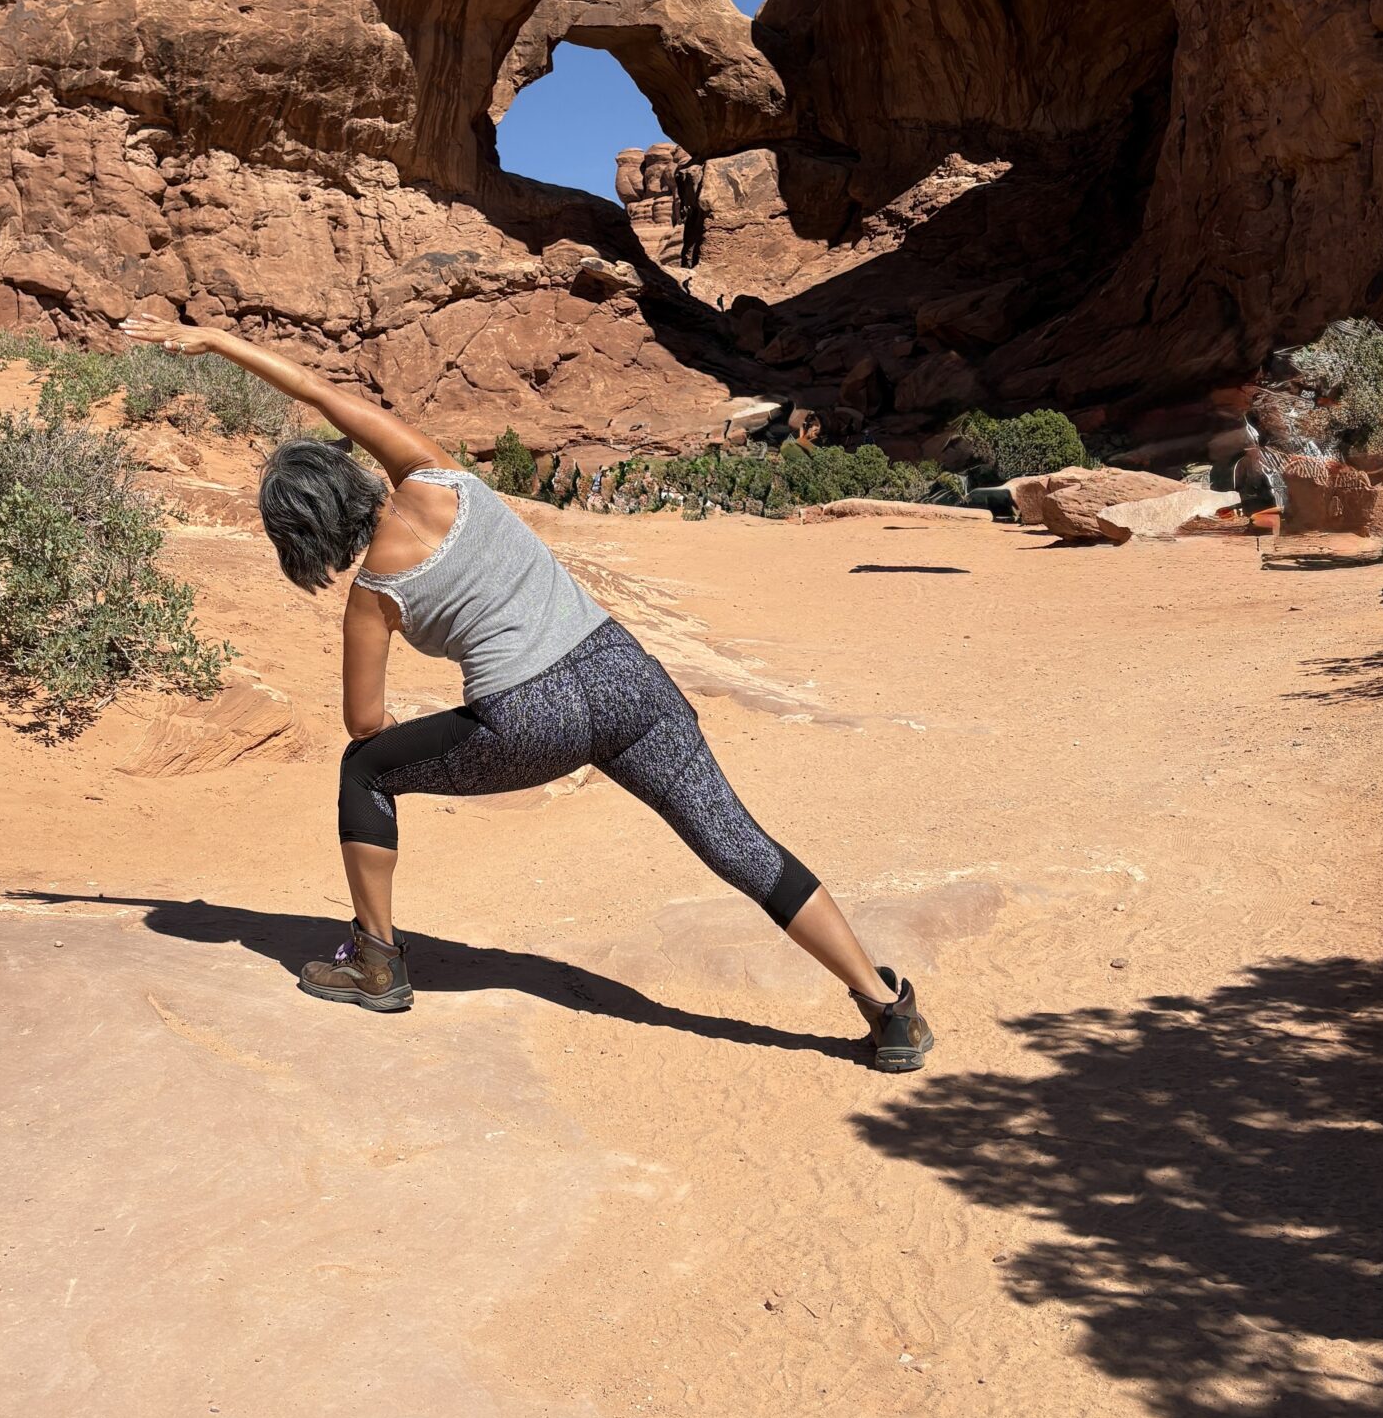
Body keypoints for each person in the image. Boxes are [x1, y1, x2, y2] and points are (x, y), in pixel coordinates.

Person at [122, 312, 934, 1072]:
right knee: (735, 841)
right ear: (347, 474)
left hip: (526, 722)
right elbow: (320, 392)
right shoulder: (437, 475)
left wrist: (397, 725)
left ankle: (376, 962)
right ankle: (883, 1004)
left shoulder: (371, 597)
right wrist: (217, 339)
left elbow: (365, 725)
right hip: (627, 678)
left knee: (364, 771)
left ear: (303, 535)